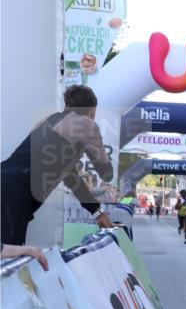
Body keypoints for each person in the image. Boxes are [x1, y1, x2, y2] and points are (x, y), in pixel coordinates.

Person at [1, 85, 114, 245]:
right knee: (8, 261)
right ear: (91, 111)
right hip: (15, 194)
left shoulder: (45, 121)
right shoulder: (86, 125)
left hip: (6, 180)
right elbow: (106, 173)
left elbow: (71, 178)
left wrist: (97, 212)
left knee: (8, 257)